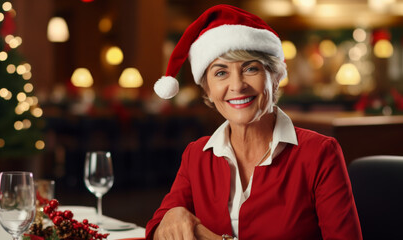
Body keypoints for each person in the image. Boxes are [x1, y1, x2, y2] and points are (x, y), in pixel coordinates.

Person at [148, 4, 362, 240]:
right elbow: (158, 229)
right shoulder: (196, 154)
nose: (237, 85)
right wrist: (174, 215)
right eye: (221, 73)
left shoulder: (320, 153)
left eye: (250, 68)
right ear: (208, 90)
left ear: (277, 77)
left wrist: (200, 233)